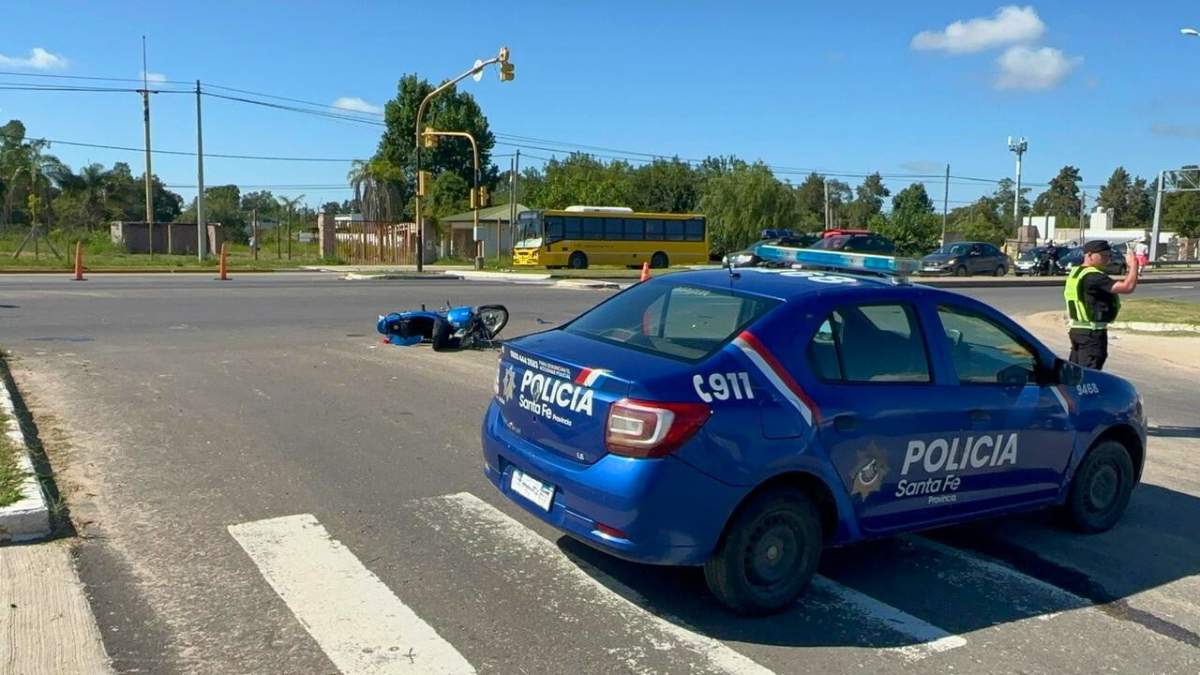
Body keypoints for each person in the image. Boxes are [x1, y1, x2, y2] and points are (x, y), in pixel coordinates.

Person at [1063, 240, 1139, 370]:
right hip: (1092, 334)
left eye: (1109, 255)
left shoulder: (1077, 272)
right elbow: (1128, 287)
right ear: (1090, 255)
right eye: (1104, 255)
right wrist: (1134, 267)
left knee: (1076, 375)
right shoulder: (1094, 276)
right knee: (1089, 377)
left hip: (1078, 330)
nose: (1107, 259)